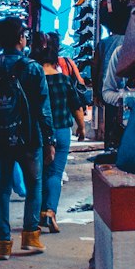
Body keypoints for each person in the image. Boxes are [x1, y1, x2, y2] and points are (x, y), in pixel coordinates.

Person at [0, 15, 54, 259]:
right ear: (19, 39)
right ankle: (30, 237)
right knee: (33, 185)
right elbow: (42, 109)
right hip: (29, 138)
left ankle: (2, 245)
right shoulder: (33, 69)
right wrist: (50, 141)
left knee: (1, 190)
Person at [34, 33, 86, 233]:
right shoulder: (64, 80)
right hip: (62, 131)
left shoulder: (33, 79)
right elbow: (76, 107)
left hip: (39, 132)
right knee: (56, 173)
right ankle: (50, 212)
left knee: (40, 174)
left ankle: (38, 216)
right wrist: (81, 128)